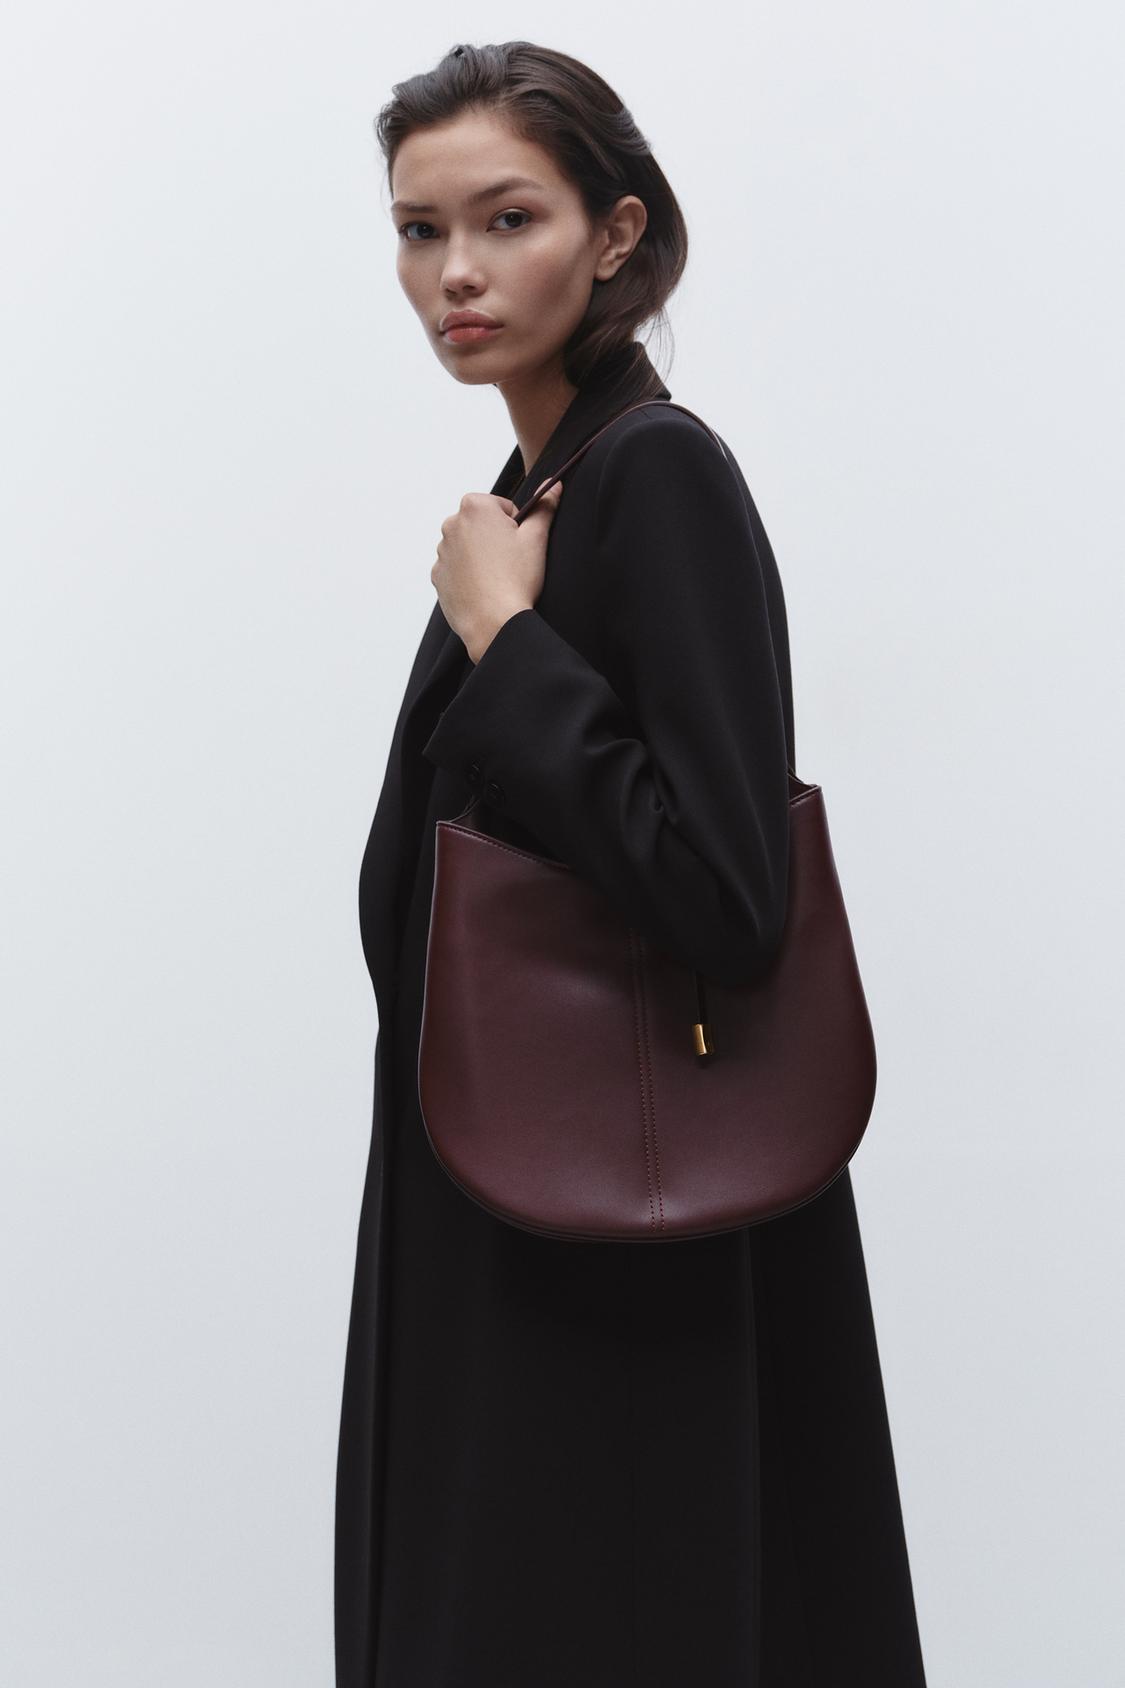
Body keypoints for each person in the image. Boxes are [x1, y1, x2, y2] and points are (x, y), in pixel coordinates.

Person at [335, 40, 928, 1688]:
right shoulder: (541, 487)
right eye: (418, 230)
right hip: (514, 1201)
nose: (453, 273)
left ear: (614, 235)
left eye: (506, 219)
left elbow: (728, 893)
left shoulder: (651, 474)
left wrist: (507, 642)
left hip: (605, 1238)